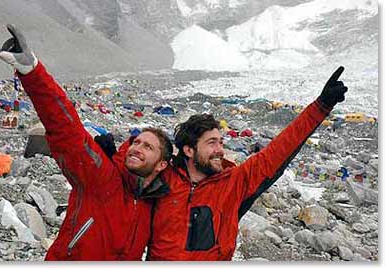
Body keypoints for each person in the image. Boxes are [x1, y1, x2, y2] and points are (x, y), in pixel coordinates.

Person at [0, 24, 172, 261]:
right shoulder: (102, 177)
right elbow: (65, 128)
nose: (137, 148)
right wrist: (32, 72)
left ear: (162, 164)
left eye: (148, 147)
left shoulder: (152, 203)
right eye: (137, 142)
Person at [147, 67, 348, 260]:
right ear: (189, 150)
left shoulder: (234, 183)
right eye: (211, 143)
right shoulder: (162, 178)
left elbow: (279, 150)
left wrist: (320, 107)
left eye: (221, 142)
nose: (220, 150)